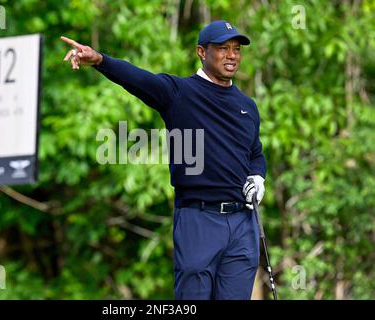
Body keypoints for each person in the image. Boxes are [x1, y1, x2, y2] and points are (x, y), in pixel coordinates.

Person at [61, 20, 267, 300]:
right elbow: (138, 78)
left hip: (243, 224)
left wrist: (258, 177)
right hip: (199, 218)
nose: (232, 55)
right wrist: (99, 59)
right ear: (201, 52)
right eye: (222, 48)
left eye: (236, 49)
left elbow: (255, 152)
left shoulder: (247, 106)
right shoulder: (179, 92)